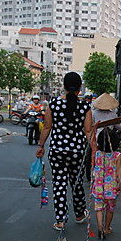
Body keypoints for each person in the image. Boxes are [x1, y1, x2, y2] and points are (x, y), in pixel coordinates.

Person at [36, 72, 92, 231]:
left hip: (57, 151)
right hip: (77, 152)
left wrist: (41, 146)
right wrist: (95, 150)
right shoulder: (85, 107)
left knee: (59, 184)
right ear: (79, 88)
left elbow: (47, 127)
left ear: (64, 86)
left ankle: (60, 220)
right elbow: (88, 131)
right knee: (77, 183)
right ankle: (80, 214)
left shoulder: (53, 104)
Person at [89, 93, 121, 236]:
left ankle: (99, 226)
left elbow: (92, 134)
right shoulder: (117, 155)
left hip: (98, 183)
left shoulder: (96, 154)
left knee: (99, 207)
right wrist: (119, 181)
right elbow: (119, 170)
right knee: (110, 208)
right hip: (111, 187)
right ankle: (107, 227)